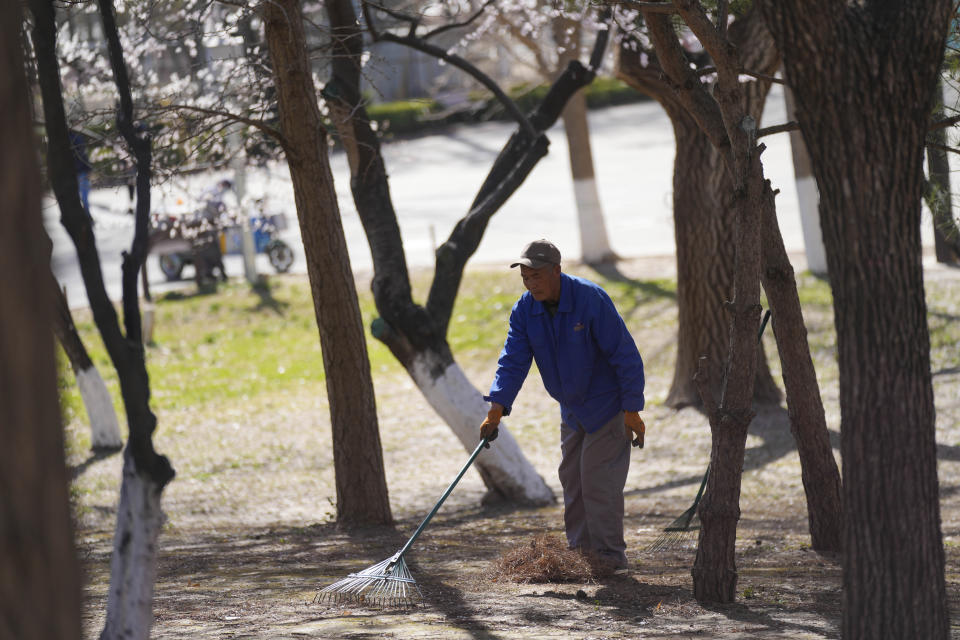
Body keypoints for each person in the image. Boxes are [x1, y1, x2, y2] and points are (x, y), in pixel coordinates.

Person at [481, 239, 646, 571]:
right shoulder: (526, 310)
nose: (531, 283)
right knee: (572, 478)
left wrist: (632, 409)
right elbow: (512, 361)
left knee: (598, 480)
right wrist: (496, 409)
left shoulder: (590, 299)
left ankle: (610, 557)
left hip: (607, 406)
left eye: (537, 275)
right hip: (571, 408)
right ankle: (581, 556)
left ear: (557, 270)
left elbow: (625, 355)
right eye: (526, 277)